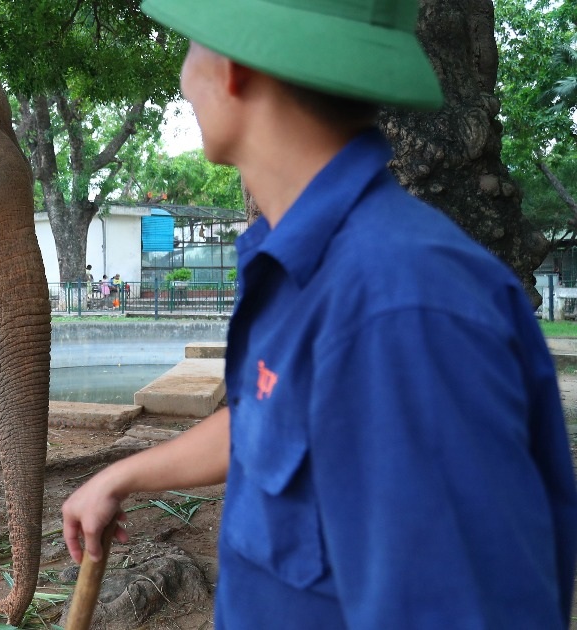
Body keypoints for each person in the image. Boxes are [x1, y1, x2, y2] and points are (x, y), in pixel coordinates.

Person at [61, 1, 577, 628]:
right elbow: (278, 420)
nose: (183, 76)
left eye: (192, 45)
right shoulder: (306, 269)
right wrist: (123, 476)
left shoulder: (400, 311)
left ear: (235, 67)